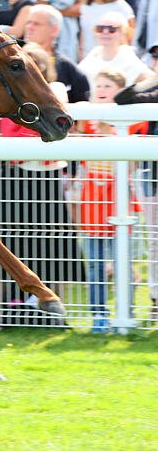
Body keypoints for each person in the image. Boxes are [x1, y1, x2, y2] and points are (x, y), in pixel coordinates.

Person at [0, 42, 85, 327]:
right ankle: (7, 314)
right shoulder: (9, 96)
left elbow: (58, 126)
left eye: (37, 67)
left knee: (54, 245)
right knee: (10, 243)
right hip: (16, 177)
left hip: (49, 178)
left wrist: (34, 139)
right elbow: (11, 133)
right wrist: (36, 139)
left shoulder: (56, 90)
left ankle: (55, 312)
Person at [78, 69, 133, 333]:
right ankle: (99, 315)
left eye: (107, 85)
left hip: (118, 199)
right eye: (98, 85)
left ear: (119, 91)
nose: (101, 89)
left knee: (123, 260)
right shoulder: (87, 121)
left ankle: (126, 311)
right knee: (95, 263)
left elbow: (131, 163)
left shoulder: (129, 121)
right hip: (92, 201)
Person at [24, 4, 91, 103]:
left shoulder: (68, 69)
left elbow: (82, 103)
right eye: (28, 22)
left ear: (54, 30)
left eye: (36, 24)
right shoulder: (12, 61)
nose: (29, 27)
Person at [78, 11, 154, 92]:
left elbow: (150, 80)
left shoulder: (128, 56)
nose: (105, 32)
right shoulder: (93, 54)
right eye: (100, 28)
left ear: (122, 33)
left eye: (112, 29)